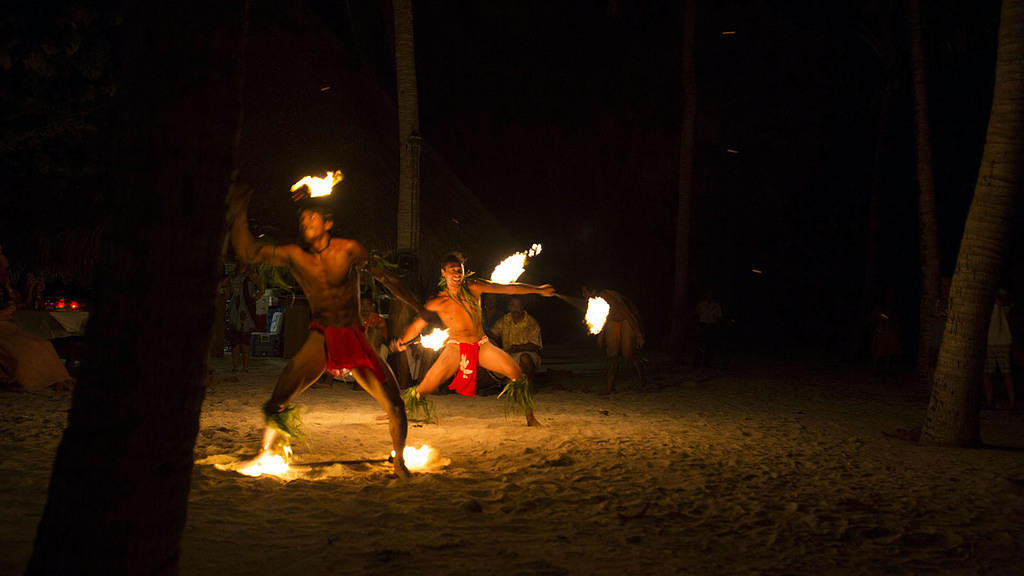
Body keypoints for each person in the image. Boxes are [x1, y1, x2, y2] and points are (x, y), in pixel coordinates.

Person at [228, 182, 423, 478]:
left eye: (311, 218)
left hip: (354, 336)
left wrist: (420, 309)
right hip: (321, 336)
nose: (304, 222)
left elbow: (388, 280)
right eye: (302, 219)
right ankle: (264, 453)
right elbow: (248, 250)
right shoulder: (295, 255)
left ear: (328, 223)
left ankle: (399, 461)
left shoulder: (349, 250)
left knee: (395, 405)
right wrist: (238, 211)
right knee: (278, 399)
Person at [393, 252, 555, 426]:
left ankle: (530, 418)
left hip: (481, 345)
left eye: (459, 270)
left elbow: (506, 288)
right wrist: (402, 341)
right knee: (424, 388)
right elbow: (417, 325)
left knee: (517, 374)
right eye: (452, 271)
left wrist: (537, 290)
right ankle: (397, 412)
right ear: (443, 273)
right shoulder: (438, 302)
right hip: (455, 348)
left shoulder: (474, 287)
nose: (456, 274)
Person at [0, 244, 74, 391]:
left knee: (43, 344)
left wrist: (28, 291)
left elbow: (19, 304)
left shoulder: (5, 287)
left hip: (7, 325)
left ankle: (57, 378)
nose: (4, 272)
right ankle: (31, 381)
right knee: (27, 348)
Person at [583, 286, 646, 394]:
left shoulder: (608, 298)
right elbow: (601, 319)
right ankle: (610, 386)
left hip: (627, 318)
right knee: (612, 354)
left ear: (593, 291)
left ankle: (642, 380)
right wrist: (600, 336)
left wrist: (638, 334)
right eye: (583, 292)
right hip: (613, 320)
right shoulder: (593, 302)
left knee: (627, 354)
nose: (584, 295)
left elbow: (628, 314)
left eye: (585, 292)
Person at [491, 296, 543, 384]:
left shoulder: (531, 322)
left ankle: (529, 384)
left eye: (518, 306)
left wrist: (518, 348)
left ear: (523, 307)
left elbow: (536, 345)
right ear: (508, 307)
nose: (515, 309)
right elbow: (493, 334)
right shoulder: (504, 320)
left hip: (528, 354)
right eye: (512, 305)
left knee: (525, 358)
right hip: (509, 356)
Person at [227, 261, 261, 372]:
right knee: (234, 337)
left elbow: (262, 289)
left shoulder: (252, 276)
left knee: (245, 337)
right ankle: (235, 366)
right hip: (235, 308)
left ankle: (245, 366)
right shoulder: (233, 276)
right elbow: (228, 292)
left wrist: (253, 299)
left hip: (246, 309)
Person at [984, 289, 1015, 410]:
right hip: (989, 341)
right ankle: (989, 400)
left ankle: (1012, 402)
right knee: (988, 373)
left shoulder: (1001, 296)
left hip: (1003, 341)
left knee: (1006, 372)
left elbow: (1004, 302)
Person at [694, 290, 723, 369]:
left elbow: (718, 317)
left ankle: (707, 362)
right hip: (703, 324)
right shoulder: (701, 305)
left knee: (710, 345)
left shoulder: (716, 306)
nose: (709, 297)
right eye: (707, 295)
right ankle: (697, 362)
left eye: (710, 295)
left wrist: (714, 325)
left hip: (712, 326)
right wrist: (698, 326)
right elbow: (696, 315)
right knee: (700, 344)